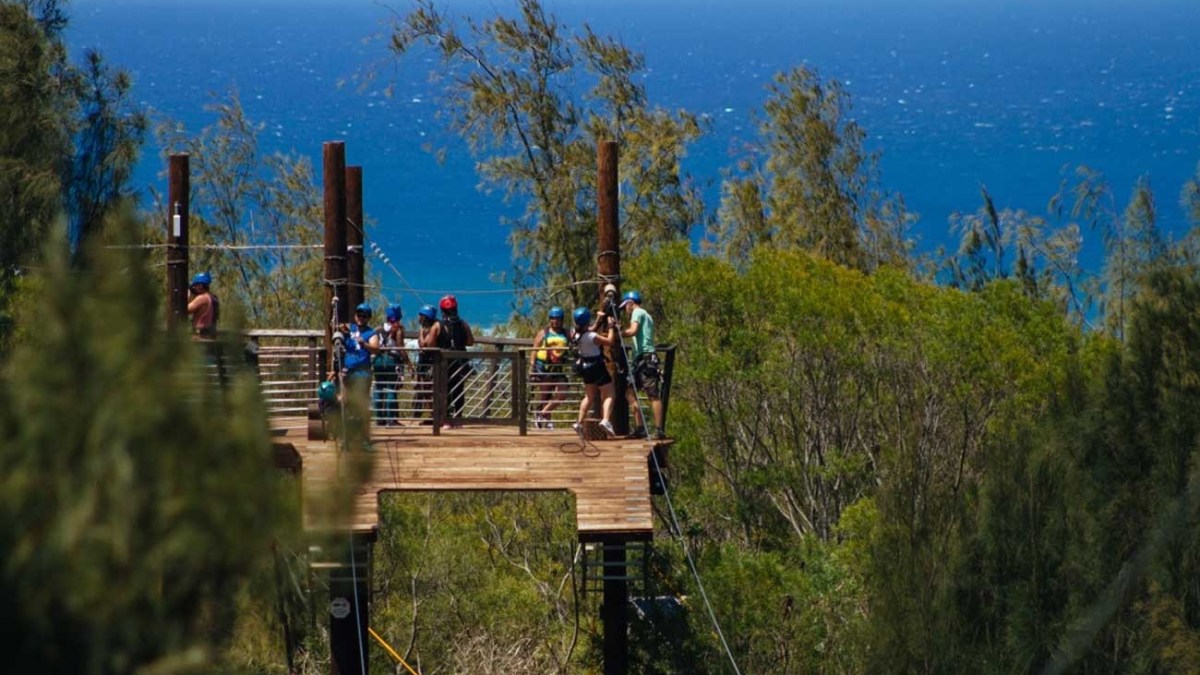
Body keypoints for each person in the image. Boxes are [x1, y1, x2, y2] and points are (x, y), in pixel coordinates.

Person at [618, 290, 664, 439]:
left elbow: (633, 330)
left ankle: (658, 430)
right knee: (630, 392)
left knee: (652, 395)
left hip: (646, 358)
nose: (625, 310)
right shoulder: (647, 315)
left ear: (630, 303)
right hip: (641, 359)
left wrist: (619, 332)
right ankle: (641, 428)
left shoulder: (637, 312)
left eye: (625, 306)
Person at [426, 295, 475, 428]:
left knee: (443, 390)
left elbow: (429, 344)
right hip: (459, 362)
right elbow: (470, 341)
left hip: (443, 363)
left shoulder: (438, 325)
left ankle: (445, 419)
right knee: (458, 390)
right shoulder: (463, 323)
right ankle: (458, 419)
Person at [571, 307, 617, 439]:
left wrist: (599, 319)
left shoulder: (575, 333)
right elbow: (609, 341)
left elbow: (590, 329)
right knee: (609, 393)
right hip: (597, 367)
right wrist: (611, 327)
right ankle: (606, 420)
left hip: (585, 368)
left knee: (589, 396)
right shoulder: (592, 337)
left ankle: (579, 422)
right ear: (587, 321)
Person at [339, 303, 381, 446]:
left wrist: (364, 344)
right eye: (359, 315)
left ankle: (364, 437)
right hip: (347, 372)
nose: (360, 318)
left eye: (364, 316)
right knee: (346, 403)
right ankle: (347, 436)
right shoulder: (349, 328)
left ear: (368, 318)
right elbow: (337, 327)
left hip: (362, 373)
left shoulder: (371, 333)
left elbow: (376, 349)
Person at [530, 306, 570, 429]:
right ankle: (547, 420)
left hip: (558, 367)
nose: (555, 321)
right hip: (544, 367)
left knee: (562, 393)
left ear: (562, 320)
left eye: (557, 319)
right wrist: (531, 368)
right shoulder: (543, 333)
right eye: (552, 318)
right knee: (545, 394)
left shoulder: (566, 333)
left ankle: (542, 413)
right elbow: (534, 350)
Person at [373, 304, 410, 427]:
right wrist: (408, 363)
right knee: (390, 389)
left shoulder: (378, 329)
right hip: (391, 360)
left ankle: (379, 418)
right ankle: (391, 419)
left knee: (379, 389)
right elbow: (400, 348)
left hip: (378, 360)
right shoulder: (398, 329)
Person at [414, 304, 438, 423]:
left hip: (429, 362)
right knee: (425, 389)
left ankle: (434, 415)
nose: (418, 317)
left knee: (429, 389)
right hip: (424, 362)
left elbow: (424, 345)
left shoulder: (430, 328)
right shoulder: (428, 327)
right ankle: (432, 414)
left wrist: (421, 333)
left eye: (420, 315)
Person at [187, 272, 219, 338]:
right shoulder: (212, 298)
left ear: (200, 286)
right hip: (209, 336)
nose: (194, 288)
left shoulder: (202, 298)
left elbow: (184, 310)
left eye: (195, 285)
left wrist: (188, 296)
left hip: (200, 337)